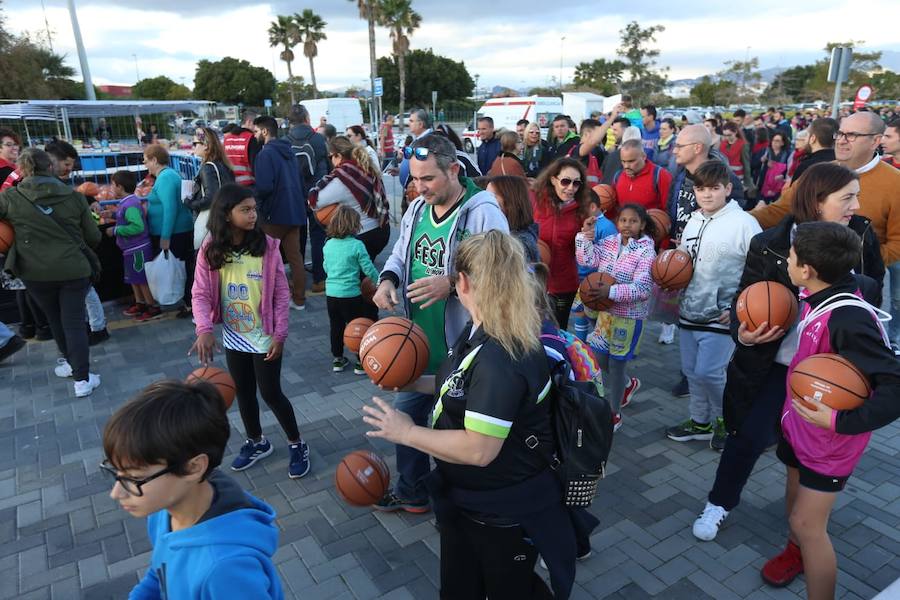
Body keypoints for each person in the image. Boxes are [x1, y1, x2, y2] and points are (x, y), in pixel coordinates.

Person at [365, 230, 584, 600]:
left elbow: (479, 449)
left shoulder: (501, 356)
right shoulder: (482, 327)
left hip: (501, 510)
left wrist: (405, 433)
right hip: (468, 500)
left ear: (461, 282)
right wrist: (412, 384)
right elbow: (460, 384)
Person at [692, 162, 885, 545]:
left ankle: (801, 526)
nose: (856, 205)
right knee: (745, 436)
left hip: (825, 371)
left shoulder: (861, 233)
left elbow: (873, 288)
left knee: (804, 450)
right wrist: (744, 335)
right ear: (816, 202)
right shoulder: (769, 243)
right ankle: (719, 502)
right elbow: (745, 301)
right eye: (847, 197)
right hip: (772, 365)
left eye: (856, 195)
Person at [761, 222, 900, 596]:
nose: (787, 262)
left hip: (829, 442)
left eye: (790, 257)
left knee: (809, 525)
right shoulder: (820, 294)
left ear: (806, 269)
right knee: (794, 499)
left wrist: (841, 420)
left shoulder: (847, 318)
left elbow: (894, 385)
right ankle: (795, 550)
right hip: (801, 427)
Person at [372, 134, 509, 513]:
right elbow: (400, 253)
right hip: (418, 344)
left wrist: (449, 283)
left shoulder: (483, 211)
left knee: (456, 433)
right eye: (414, 179)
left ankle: (460, 503)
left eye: (428, 179)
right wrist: (388, 280)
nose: (419, 187)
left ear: (454, 169)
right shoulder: (417, 208)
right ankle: (413, 491)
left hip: (464, 350)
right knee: (406, 417)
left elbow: (502, 275)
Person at [101, 380, 286, 599]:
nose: (116, 493)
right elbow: (160, 574)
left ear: (193, 468)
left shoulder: (224, 570)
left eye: (135, 478)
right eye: (117, 473)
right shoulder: (164, 511)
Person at [751, 111, 900, 350]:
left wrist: (853, 261)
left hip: (856, 289)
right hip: (800, 288)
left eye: (851, 135)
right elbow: (779, 211)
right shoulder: (816, 173)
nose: (841, 140)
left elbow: (897, 242)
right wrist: (735, 219)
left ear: (875, 141)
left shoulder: (895, 183)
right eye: (840, 133)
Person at [190, 183, 310, 478]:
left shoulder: (267, 247)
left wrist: (279, 335)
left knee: (271, 392)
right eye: (245, 210)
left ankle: (297, 443)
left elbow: (282, 295)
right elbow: (200, 293)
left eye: (254, 208)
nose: (253, 214)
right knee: (243, 391)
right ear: (226, 214)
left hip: (265, 335)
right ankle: (256, 441)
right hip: (234, 334)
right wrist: (204, 329)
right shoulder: (211, 248)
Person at [665, 161, 761, 450]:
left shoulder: (744, 224)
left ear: (728, 189)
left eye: (714, 188)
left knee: (710, 373)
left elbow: (759, 271)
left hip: (721, 315)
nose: (706, 195)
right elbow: (682, 262)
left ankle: (726, 421)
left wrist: (738, 308)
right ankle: (700, 421)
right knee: (693, 372)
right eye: (700, 189)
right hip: (690, 309)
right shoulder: (693, 220)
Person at [0, 148, 102, 397]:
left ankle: (71, 365)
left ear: (22, 170)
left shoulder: (12, 198)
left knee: (54, 319)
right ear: (51, 168)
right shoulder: (74, 197)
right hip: (73, 269)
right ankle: (82, 379)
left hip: (34, 272)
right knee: (74, 322)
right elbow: (93, 237)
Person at [575, 203, 656, 431]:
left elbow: (642, 288)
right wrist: (585, 235)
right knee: (599, 360)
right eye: (623, 220)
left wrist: (609, 292)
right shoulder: (610, 242)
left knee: (617, 366)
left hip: (629, 318)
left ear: (642, 225)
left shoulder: (646, 252)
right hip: (606, 315)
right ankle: (629, 385)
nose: (627, 225)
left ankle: (614, 413)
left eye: (633, 221)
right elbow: (587, 260)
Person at [45, 140, 110, 343]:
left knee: (85, 289)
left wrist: (89, 203)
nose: (70, 169)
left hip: (70, 247)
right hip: (63, 248)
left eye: (71, 164)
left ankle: (97, 328)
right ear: (51, 160)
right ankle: (93, 327)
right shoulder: (43, 183)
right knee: (81, 291)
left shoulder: (56, 185)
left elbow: (75, 199)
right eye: (66, 164)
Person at [252, 115, 308, 311]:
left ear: (265, 131)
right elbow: (301, 183)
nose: (255, 135)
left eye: (256, 131)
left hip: (273, 214)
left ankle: (267, 302)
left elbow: (264, 187)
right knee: (295, 258)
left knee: (266, 260)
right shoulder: (289, 151)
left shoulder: (265, 154)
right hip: (294, 212)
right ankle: (299, 300)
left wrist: (255, 201)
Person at [307, 135, 390, 262]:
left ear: (338, 156)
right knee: (366, 273)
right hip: (381, 230)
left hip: (362, 235)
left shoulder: (343, 177)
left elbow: (315, 202)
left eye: (330, 157)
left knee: (352, 278)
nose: (331, 161)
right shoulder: (366, 167)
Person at [532, 157, 590, 329]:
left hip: (564, 283)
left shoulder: (582, 210)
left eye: (576, 183)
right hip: (535, 280)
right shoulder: (536, 203)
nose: (570, 188)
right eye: (565, 181)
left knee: (558, 330)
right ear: (553, 179)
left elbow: (584, 257)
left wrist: (586, 238)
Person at [185, 128, 236, 318]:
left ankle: (209, 312)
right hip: (226, 221)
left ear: (206, 146)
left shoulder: (208, 167)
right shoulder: (224, 165)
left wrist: (190, 203)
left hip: (211, 222)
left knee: (206, 269)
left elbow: (211, 198)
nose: (193, 147)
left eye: (195, 143)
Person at [323, 205, 380, 372]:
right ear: (354, 225)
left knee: (336, 326)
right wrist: (380, 282)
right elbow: (368, 269)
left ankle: (338, 359)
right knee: (357, 327)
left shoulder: (328, 244)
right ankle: (360, 361)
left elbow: (326, 267)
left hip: (331, 295)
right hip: (351, 295)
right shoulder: (357, 245)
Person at [667, 124, 746, 242]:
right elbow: (671, 208)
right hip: (678, 250)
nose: (674, 151)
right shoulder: (679, 174)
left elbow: (731, 222)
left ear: (697, 148)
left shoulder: (725, 179)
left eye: (679, 146)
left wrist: (696, 237)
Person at [143, 143, 194, 317]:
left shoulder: (165, 178)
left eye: (146, 161)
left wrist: (165, 237)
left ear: (155, 160)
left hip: (175, 233)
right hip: (180, 230)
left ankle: (189, 303)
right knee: (183, 268)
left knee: (179, 269)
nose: (145, 165)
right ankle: (188, 302)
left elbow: (170, 209)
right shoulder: (170, 174)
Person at [286, 104, 329, 295]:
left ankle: (298, 279)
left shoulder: (284, 141)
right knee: (319, 235)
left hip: (293, 195)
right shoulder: (318, 139)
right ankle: (319, 279)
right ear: (307, 118)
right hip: (316, 194)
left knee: (297, 237)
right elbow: (327, 166)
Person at [107, 170, 159, 320]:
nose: (110, 188)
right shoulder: (129, 202)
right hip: (131, 249)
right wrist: (110, 215)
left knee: (141, 279)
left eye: (112, 185)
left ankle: (152, 306)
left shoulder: (130, 204)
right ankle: (140, 302)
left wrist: (116, 230)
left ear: (120, 187)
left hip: (138, 249)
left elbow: (137, 226)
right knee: (133, 279)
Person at [486, 175, 539, 263]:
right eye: (485, 195)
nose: (485, 200)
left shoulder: (520, 246)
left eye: (492, 196)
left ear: (511, 202)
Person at [612, 139, 672, 211]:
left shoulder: (661, 175)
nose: (626, 166)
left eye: (631, 161)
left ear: (644, 156)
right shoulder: (618, 176)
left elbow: (669, 210)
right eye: (623, 161)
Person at [789, 118, 837, 182]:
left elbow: (795, 191)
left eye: (807, 135)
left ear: (813, 138)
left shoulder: (806, 166)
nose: (805, 139)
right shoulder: (840, 163)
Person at [222, 113, 261, 188]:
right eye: (256, 124)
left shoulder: (227, 139)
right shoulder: (252, 139)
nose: (256, 127)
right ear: (249, 122)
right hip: (249, 186)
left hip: (230, 186)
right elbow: (257, 166)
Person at [398, 108, 433, 188]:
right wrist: (401, 171)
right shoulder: (418, 139)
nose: (408, 124)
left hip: (419, 192)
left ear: (420, 124)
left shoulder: (429, 141)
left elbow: (426, 167)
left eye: (411, 121)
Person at [720, 123, 755, 197]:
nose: (727, 137)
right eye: (725, 135)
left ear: (735, 132)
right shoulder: (723, 143)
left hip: (738, 177)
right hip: (724, 176)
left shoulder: (743, 144)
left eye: (729, 135)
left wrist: (747, 183)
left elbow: (746, 164)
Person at [757, 131, 790, 203]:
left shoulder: (787, 154)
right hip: (764, 186)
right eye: (773, 140)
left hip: (779, 186)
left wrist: (783, 175)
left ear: (782, 143)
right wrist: (762, 161)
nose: (774, 142)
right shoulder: (765, 151)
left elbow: (789, 169)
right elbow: (754, 164)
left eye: (777, 141)